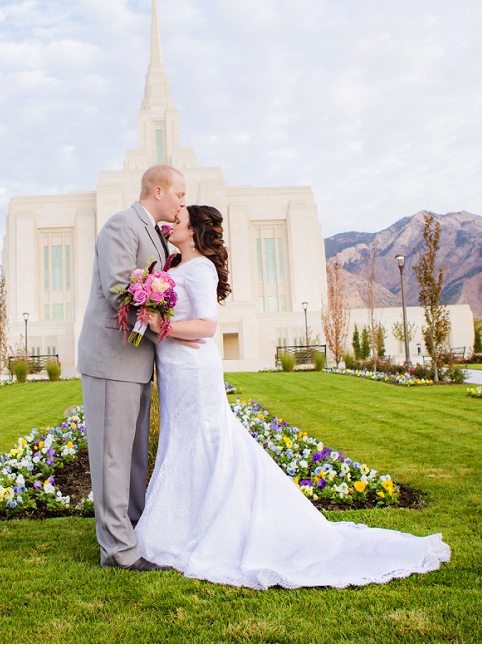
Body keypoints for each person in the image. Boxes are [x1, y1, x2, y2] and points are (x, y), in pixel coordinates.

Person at [135, 204, 452, 589]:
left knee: (205, 440)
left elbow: (206, 326)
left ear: (194, 231)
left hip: (192, 368)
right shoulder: (175, 267)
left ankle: (204, 528)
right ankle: (185, 523)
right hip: (174, 369)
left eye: (179, 221)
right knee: (183, 440)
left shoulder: (199, 268)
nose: (172, 224)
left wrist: (161, 324)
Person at [77, 163, 186, 571]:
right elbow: (119, 288)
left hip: (137, 359)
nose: (182, 202)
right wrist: (168, 328)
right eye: (179, 193)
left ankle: (136, 533)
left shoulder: (155, 236)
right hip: (111, 357)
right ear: (158, 191)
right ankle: (118, 552)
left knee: (135, 455)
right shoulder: (121, 226)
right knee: (112, 457)